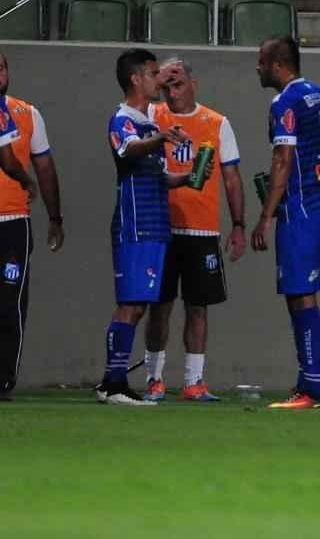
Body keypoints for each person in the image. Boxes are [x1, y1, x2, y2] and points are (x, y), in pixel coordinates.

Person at [97, 49, 210, 406]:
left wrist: (189, 177)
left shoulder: (148, 122)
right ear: (135, 79)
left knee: (139, 306)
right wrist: (161, 138)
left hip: (156, 226)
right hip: (135, 224)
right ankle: (113, 384)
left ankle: (111, 383)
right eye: (152, 73)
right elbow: (130, 151)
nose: (158, 80)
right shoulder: (123, 120)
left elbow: (159, 176)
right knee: (130, 305)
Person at [142, 58, 246, 402]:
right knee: (160, 306)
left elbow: (232, 178)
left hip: (202, 231)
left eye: (179, 84)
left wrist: (239, 225)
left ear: (193, 84)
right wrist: (156, 81)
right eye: (167, 86)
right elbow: (133, 104)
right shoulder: (152, 115)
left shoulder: (217, 123)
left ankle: (194, 381)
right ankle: (154, 379)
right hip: (161, 226)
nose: (173, 93)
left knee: (198, 307)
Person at [251, 37, 320, 410]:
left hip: (302, 209)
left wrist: (265, 216)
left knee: (302, 295)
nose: (257, 67)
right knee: (299, 293)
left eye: (261, 61)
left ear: (278, 64)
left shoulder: (284, 102)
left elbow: (283, 159)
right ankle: (306, 382)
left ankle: (312, 390)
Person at [0, 52, 63, 401]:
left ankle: (4, 380)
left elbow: (45, 167)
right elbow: (9, 162)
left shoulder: (26, 113)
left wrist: (55, 217)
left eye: (2, 67)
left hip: (12, 224)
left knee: (9, 304)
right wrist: (26, 181)